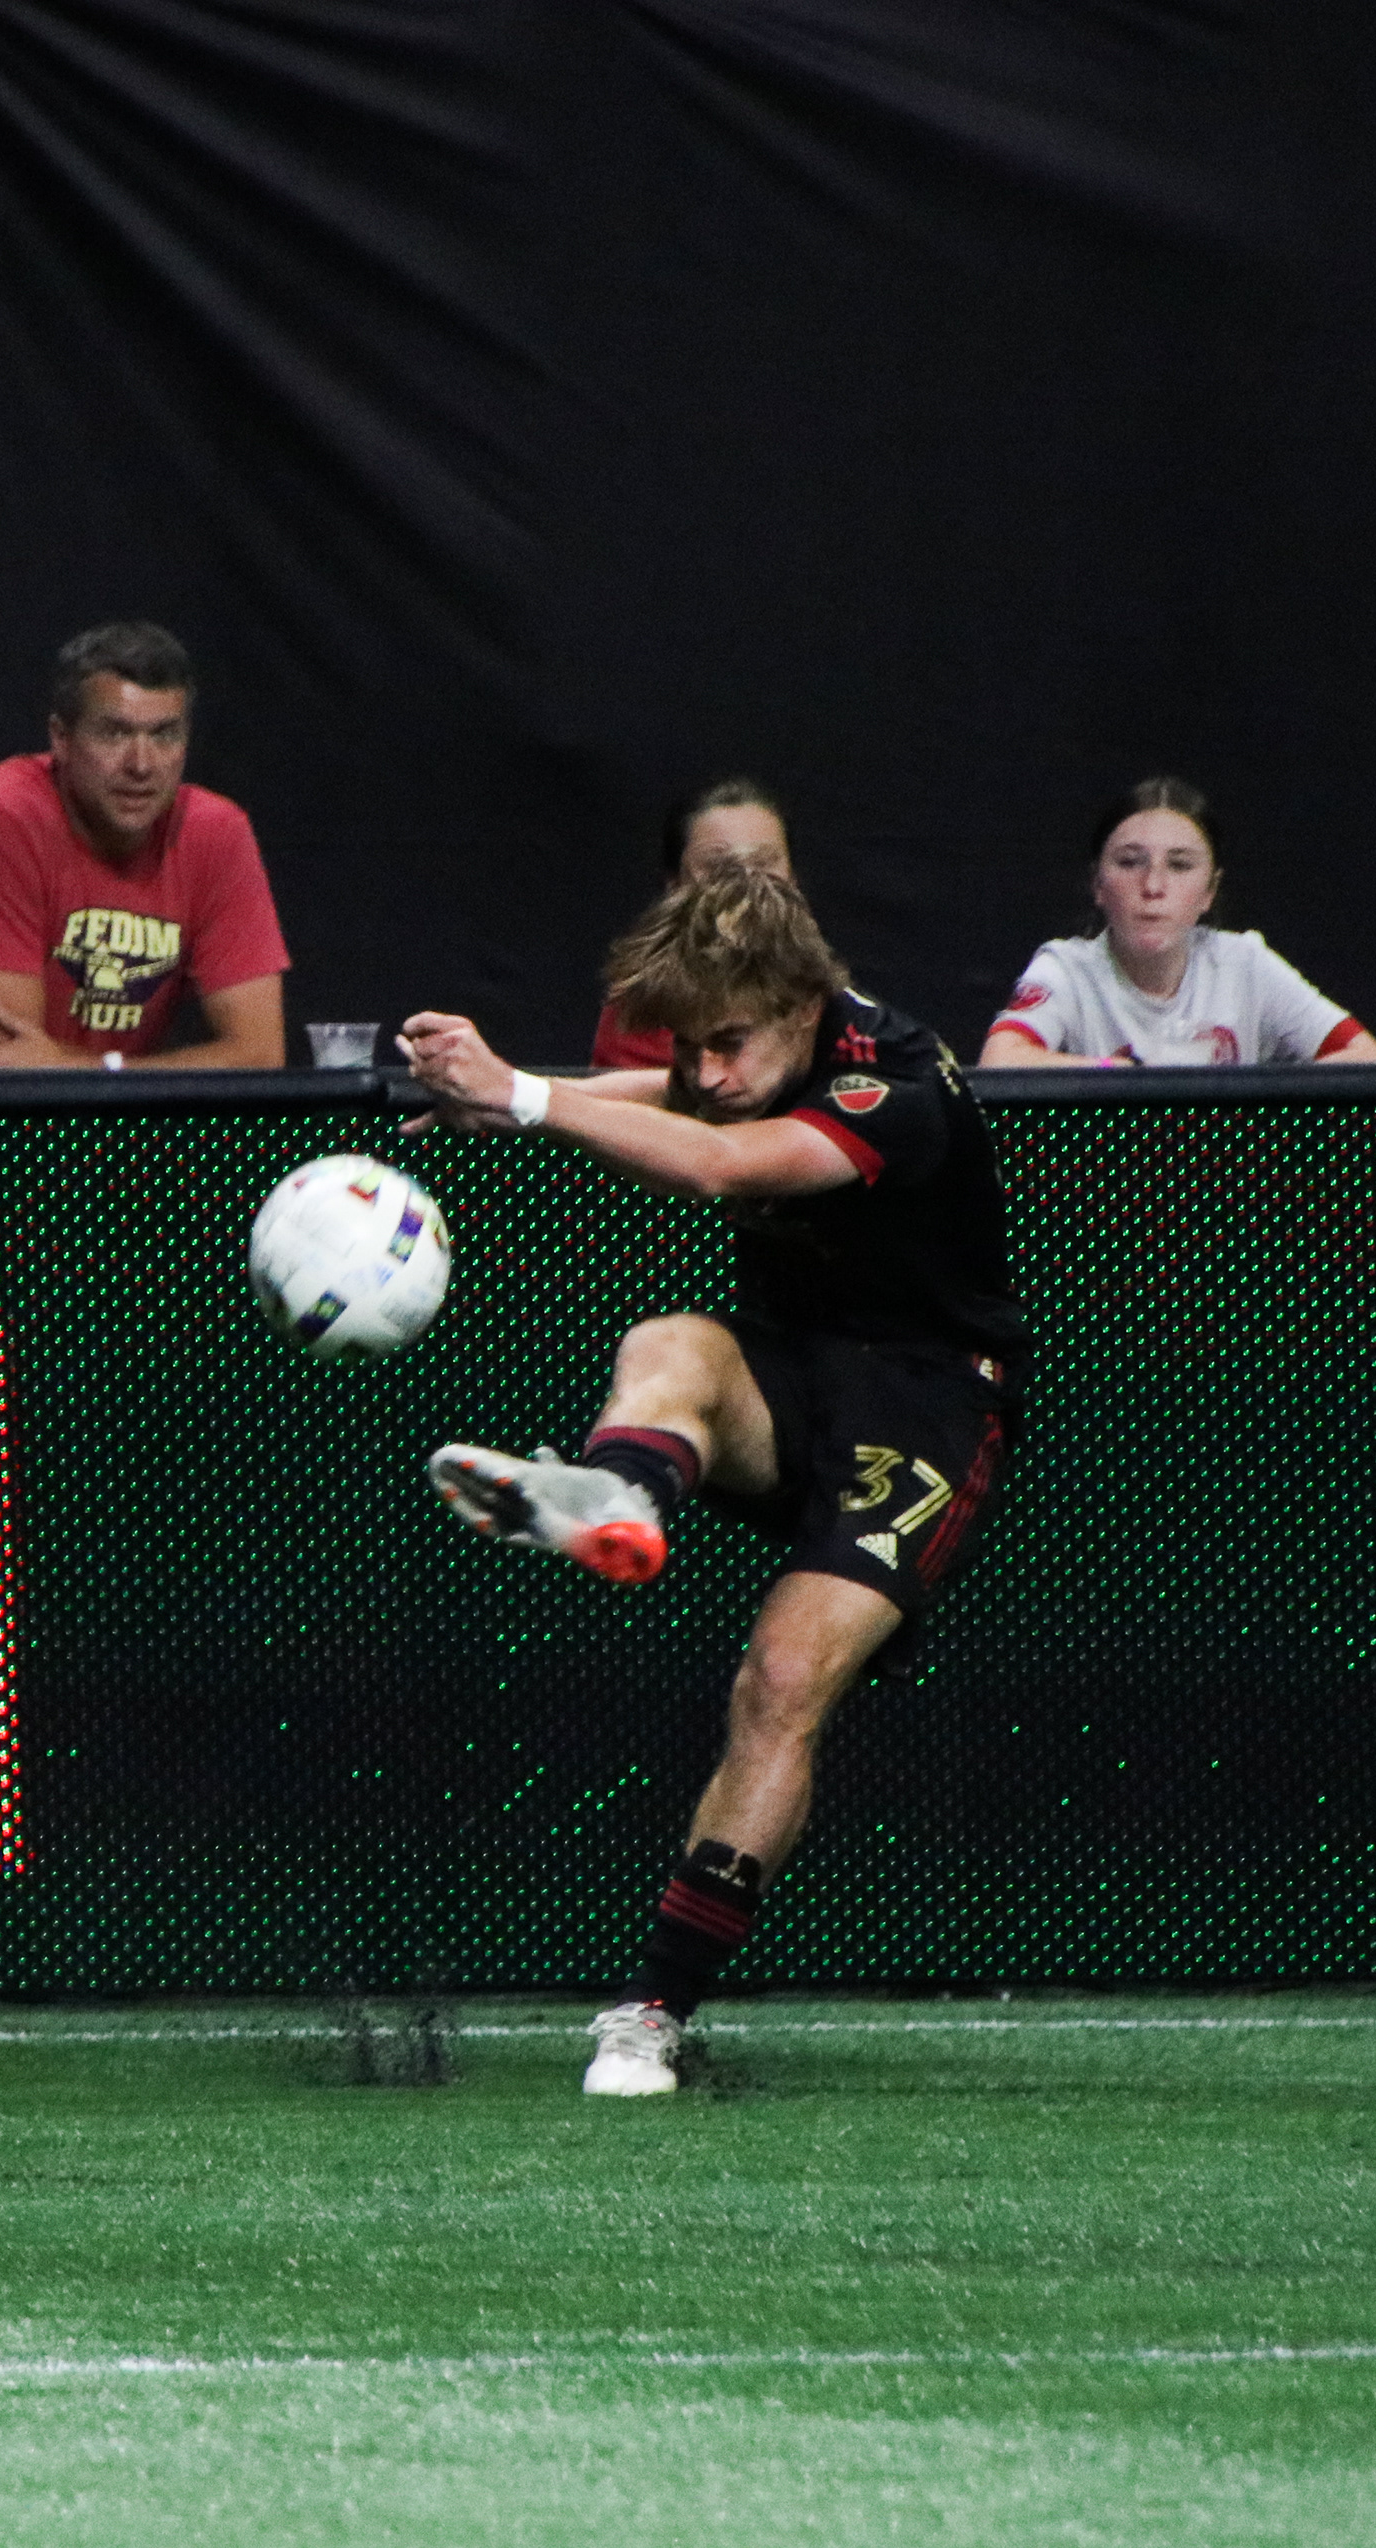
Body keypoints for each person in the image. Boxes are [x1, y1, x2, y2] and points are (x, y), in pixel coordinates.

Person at [400, 867, 1026, 2097]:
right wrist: (517, 1098)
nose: (707, 1069)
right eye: (689, 1044)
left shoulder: (900, 1086)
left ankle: (654, 2012)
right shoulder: (738, 1055)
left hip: (929, 1409)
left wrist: (525, 1096)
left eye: (729, 1042)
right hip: (791, 1376)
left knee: (780, 1682)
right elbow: (683, 1100)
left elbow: (720, 1165)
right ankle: (617, 1499)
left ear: (802, 1004)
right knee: (672, 1342)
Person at [0, 622, 289, 1067]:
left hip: (105, 1107)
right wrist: (111, 1078)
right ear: (61, 739)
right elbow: (9, 1066)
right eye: (114, 733)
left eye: (164, 735)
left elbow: (260, 1055)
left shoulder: (216, 833)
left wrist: (98, 1070)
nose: (142, 765)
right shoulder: (0, 819)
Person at [979, 776, 1376, 1067]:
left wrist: (1256, 1105)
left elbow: (1368, 1059)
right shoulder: (1068, 970)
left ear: (1209, 891)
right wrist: (1111, 1074)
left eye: (1179, 865)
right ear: (1098, 884)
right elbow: (1000, 1060)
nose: (1153, 886)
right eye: (1130, 862)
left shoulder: (1244, 964)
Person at [590, 779, 795, 1071]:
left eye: (763, 862)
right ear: (675, 885)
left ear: (793, 879)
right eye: (718, 866)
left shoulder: (824, 994)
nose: (746, 882)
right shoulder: (644, 1003)